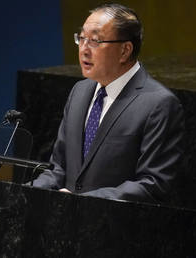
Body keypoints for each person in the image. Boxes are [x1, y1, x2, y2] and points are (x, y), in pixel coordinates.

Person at [32, 3, 184, 203]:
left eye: (95, 40)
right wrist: (24, 194)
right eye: (82, 38)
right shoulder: (80, 91)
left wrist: (82, 202)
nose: (84, 49)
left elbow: (152, 184)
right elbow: (59, 168)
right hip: (66, 226)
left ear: (125, 51)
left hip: (116, 229)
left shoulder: (159, 104)